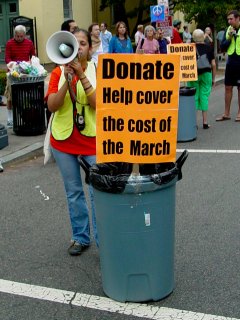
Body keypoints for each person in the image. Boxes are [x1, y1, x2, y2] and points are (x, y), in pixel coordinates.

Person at [46, 28, 98, 256]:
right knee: (74, 191)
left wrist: (82, 75)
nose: (78, 48)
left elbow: (99, 104)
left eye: (83, 43)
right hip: (64, 139)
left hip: (93, 140)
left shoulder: (98, 70)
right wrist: (68, 80)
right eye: (74, 43)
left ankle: (103, 240)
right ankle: (80, 237)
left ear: (90, 48)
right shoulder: (57, 73)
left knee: (98, 191)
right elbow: (52, 106)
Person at [4, 25, 35, 128]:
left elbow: (33, 56)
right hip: (13, 73)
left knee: (27, 96)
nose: (20, 38)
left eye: (22, 36)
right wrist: (14, 65)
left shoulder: (29, 43)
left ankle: (27, 117)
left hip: (26, 73)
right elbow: (7, 58)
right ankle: (10, 119)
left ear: (25, 35)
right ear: (15, 35)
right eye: (17, 36)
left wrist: (30, 64)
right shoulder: (9, 43)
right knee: (10, 96)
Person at [188, 29, 216, 129]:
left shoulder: (190, 48)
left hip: (193, 74)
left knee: (194, 97)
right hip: (206, 74)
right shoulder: (208, 47)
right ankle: (205, 122)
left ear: (194, 38)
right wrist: (213, 79)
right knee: (204, 96)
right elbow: (213, 64)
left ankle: (193, 123)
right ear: (203, 36)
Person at [216, 10, 240, 121]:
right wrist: (230, 37)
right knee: (228, 87)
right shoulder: (228, 30)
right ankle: (226, 113)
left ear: (237, 18)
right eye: (228, 19)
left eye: (231, 19)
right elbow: (223, 47)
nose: (229, 21)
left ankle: (239, 114)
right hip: (231, 62)